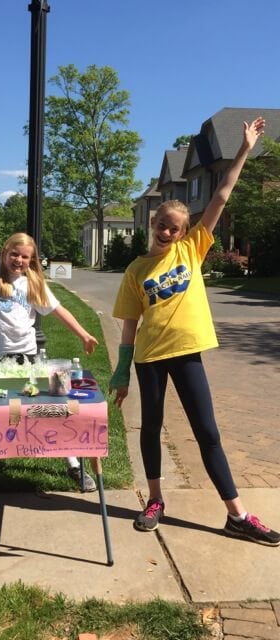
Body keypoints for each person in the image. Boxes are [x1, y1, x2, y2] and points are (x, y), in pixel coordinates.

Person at [109, 118, 280, 546]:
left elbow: (222, 194)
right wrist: (121, 370)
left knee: (207, 431)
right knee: (151, 427)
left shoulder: (192, 249)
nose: (167, 232)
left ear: (184, 233)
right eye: (162, 225)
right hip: (149, 358)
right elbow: (130, 323)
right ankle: (154, 500)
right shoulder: (137, 270)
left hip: (187, 354)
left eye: (175, 228)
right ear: (153, 224)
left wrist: (243, 149)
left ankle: (237, 515)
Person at [0, 174, 99, 492]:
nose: (19, 260)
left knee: (46, 412)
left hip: (25, 360)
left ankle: (74, 466)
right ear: (4, 252)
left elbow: (60, 310)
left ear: (31, 260)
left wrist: (83, 334)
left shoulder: (35, 284)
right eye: (14, 254)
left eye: (25, 257)